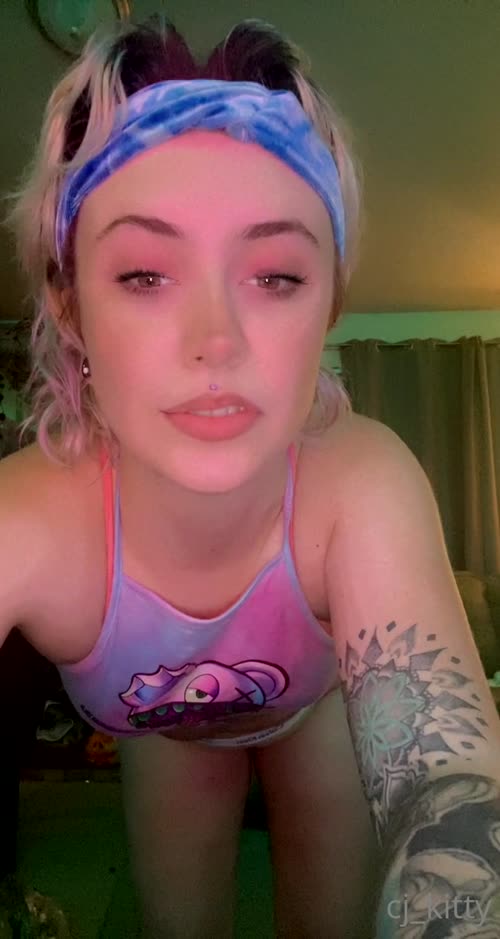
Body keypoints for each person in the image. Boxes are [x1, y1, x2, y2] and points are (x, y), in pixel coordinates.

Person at [2, 14, 500, 939]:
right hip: (164, 736)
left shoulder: (364, 484)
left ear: (330, 303)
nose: (217, 342)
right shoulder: (27, 521)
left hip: (316, 714)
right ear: (69, 306)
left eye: (274, 276)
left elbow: (452, 788)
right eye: (144, 274)